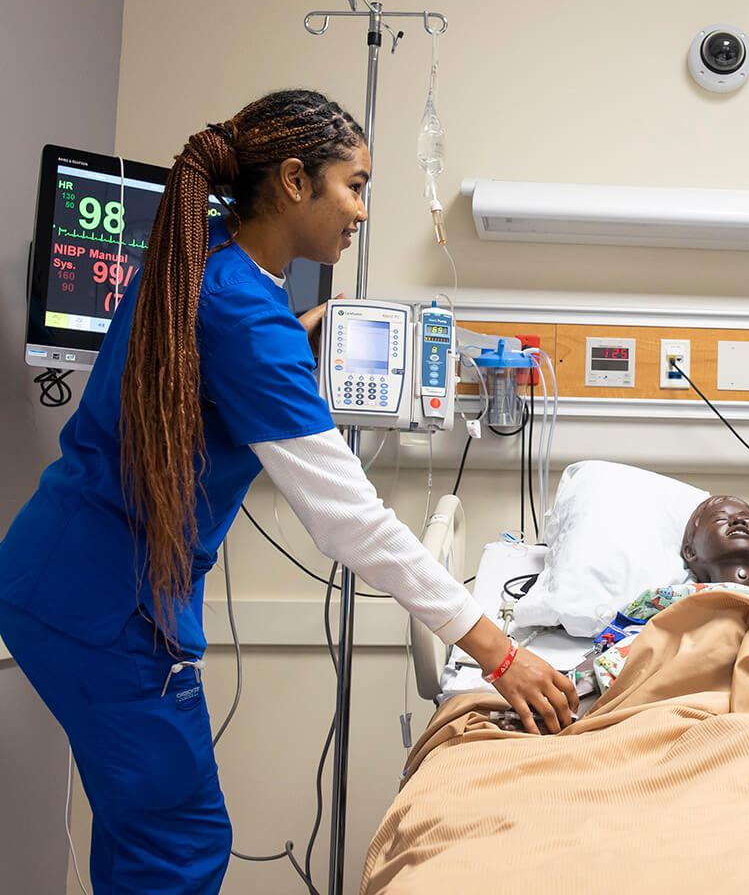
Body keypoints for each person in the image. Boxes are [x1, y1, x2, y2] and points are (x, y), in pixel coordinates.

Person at [0, 90, 577, 894]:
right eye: (356, 185)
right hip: (110, 611)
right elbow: (351, 524)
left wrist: (280, 334)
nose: (363, 212)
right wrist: (499, 651)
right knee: (178, 842)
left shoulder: (198, 256)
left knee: (142, 832)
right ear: (297, 181)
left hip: (51, 573)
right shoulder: (244, 319)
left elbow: (207, 357)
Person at [680, 494, 749, 586]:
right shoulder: (672, 597)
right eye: (721, 519)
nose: (739, 520)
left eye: (748, 519)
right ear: (691, 552)